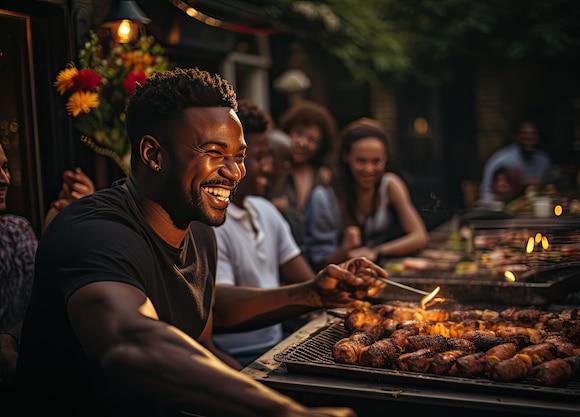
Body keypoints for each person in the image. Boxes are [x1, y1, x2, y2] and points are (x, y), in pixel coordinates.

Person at [15, 67, 387, 416]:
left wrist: (311, 294)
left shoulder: (199, 230)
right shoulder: (93, 231)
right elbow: (129, 338)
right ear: (152, 154)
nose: (234, 171)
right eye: (213, 153)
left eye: (238, 156)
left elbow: (207, 312)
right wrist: (285, 412)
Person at [212, 99, 318, 367]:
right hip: (237, 356)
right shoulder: (212, 223)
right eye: (257, 158)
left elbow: (307, 280)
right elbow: (221, 309)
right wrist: (311, 295)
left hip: (280, 343)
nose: (269, 167)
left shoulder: (265, 210)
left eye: (267, 156)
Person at [0, 142, 95, 384]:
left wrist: (63, 227)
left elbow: (45, 300)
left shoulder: (16, 231)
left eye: (5, 167)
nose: (5, 180)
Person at [304, 118, 429, 271]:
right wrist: (345, 250)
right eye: (361, 161)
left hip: (377, 275)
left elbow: (420, 237)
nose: (369, 169)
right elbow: (317, 264)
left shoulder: (390, 185)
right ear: (346, 157)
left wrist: (376, 252)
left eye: (376, 161)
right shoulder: (324, 198)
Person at [272, 100, 338, 250]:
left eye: (312, 140)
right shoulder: (272, 169)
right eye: (298, 134)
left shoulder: (323, 176)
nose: (302, 143)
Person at [479, 120, 552, 201]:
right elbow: (486, 193)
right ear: (517, 137)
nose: (529, 138)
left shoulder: (543, 161)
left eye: (533, 134)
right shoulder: (502, 160)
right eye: (524, 134)